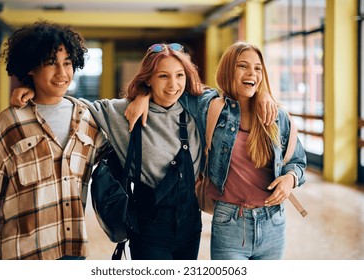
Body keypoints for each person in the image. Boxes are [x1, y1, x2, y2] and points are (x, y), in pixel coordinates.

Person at [9, 43, 277, 260]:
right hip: (148, 229)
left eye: (179, 75)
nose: (173, 84)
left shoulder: (196, 108)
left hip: (190, 225)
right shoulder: (123, 113)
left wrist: (263, 94)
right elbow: (76, 107)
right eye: (163, 76)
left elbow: (232, 98)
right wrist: (34, 90)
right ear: (148, 79)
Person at [126, 41, 307, 260]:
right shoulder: (209, 106)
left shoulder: (276, 115)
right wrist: (142, 97)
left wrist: (290, 178)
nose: (252, 73)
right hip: (229, 222)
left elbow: (297, 162)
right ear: (228, 69)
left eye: (257, 68)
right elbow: (171, 89)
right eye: (242, 66)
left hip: (274, 223)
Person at [0, 21, 108, 260]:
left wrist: (143, 95)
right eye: (50, 64)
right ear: (30, 68)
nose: (62, 73)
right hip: (24, 253)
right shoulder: (11, 121)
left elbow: (122, 149)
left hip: (72, 249)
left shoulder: (87, 118)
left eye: (67, 63)